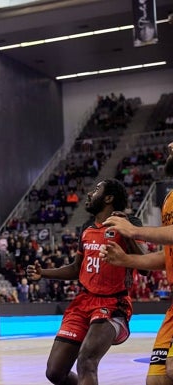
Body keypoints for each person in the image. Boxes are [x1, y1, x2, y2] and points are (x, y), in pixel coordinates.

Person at [27, 179, 144, 385]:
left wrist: (126, 233)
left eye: (96, 190)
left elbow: (143, 266)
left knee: (86, 361)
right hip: (83, 302)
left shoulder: (131, 223)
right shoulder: (86, 228)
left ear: (108, 198)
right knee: (54, 372)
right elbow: (75, 268)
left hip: (112, 303)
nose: (90, 194)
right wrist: (43, 273)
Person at [100, 142, 173, 385]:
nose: (170, 145)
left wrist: (134, 231)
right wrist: (126, 259)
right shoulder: (169, 199)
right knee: (157, 379)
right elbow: (167, 256)